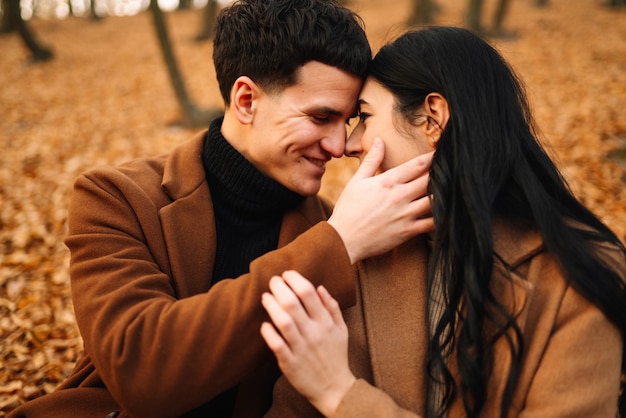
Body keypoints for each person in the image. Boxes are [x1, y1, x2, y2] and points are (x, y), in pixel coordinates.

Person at [8, 2, 437, 418]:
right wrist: (339, 244)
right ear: (246, 100)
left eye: (345, 122)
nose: (339, 146)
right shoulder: (117, 197)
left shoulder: (330, 224)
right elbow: (140, 372)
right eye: (320, 117)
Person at [261, 26, 626, 418]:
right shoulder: (367, 255)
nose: (348, 145)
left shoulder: (577, 275)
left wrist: (341, 394)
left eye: (364, 117)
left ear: (433, 119)